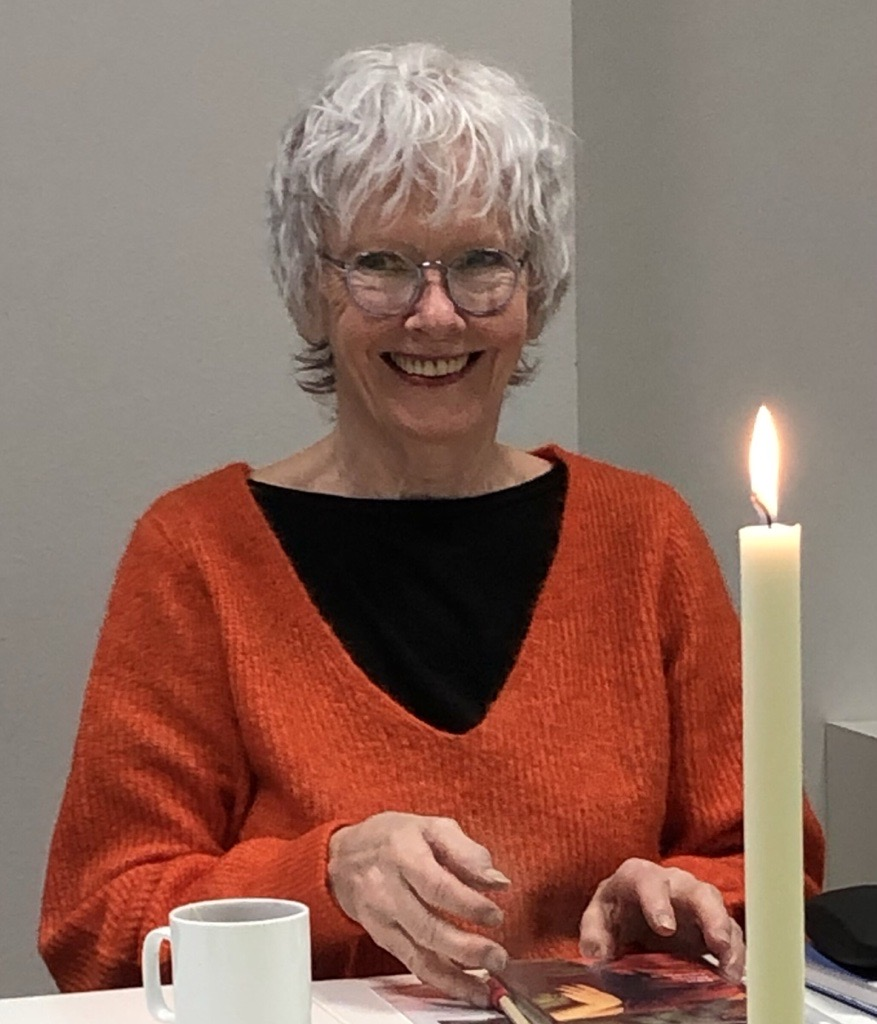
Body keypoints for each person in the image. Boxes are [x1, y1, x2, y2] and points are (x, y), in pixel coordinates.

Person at [39, 42, 824, 1003]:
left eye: (480, 263)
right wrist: (324, 877)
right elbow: (96, 927)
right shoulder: (194, 555)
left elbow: (772, 872)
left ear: (535, 288)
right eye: (381, 266)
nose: (436, 315)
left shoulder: (644, 537)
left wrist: (682, 902)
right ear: (311, 289)